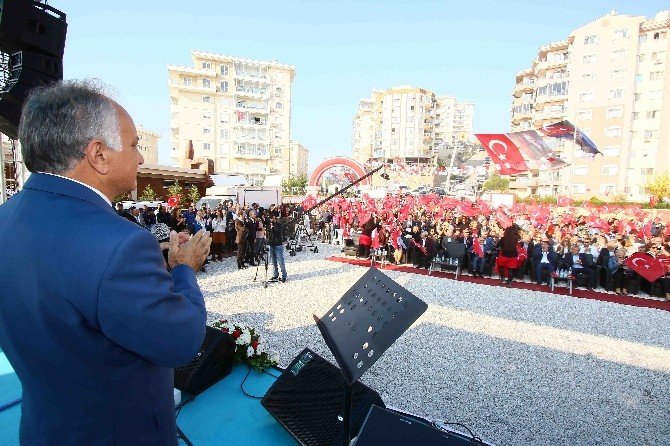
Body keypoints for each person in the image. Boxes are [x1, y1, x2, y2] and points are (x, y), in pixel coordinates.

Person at [0, 81, 211, 445]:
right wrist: (183, 269)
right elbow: (182, 341)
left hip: (46, 429)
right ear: (98, 154)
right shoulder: (121, 244)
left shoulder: (5, 219)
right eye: (133, 145)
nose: (141, 158)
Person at [267, 211, 287, 282]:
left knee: (281, 261)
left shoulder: (278, 225)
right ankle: (275, 274)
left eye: (271, 219)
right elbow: (268, 233)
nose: (270, 220)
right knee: (273, 262)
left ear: (274, 218)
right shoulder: (269, 225)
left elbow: (278, 231)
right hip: (271, 244)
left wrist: (273, 226)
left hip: (278, 245)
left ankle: (284, 275)